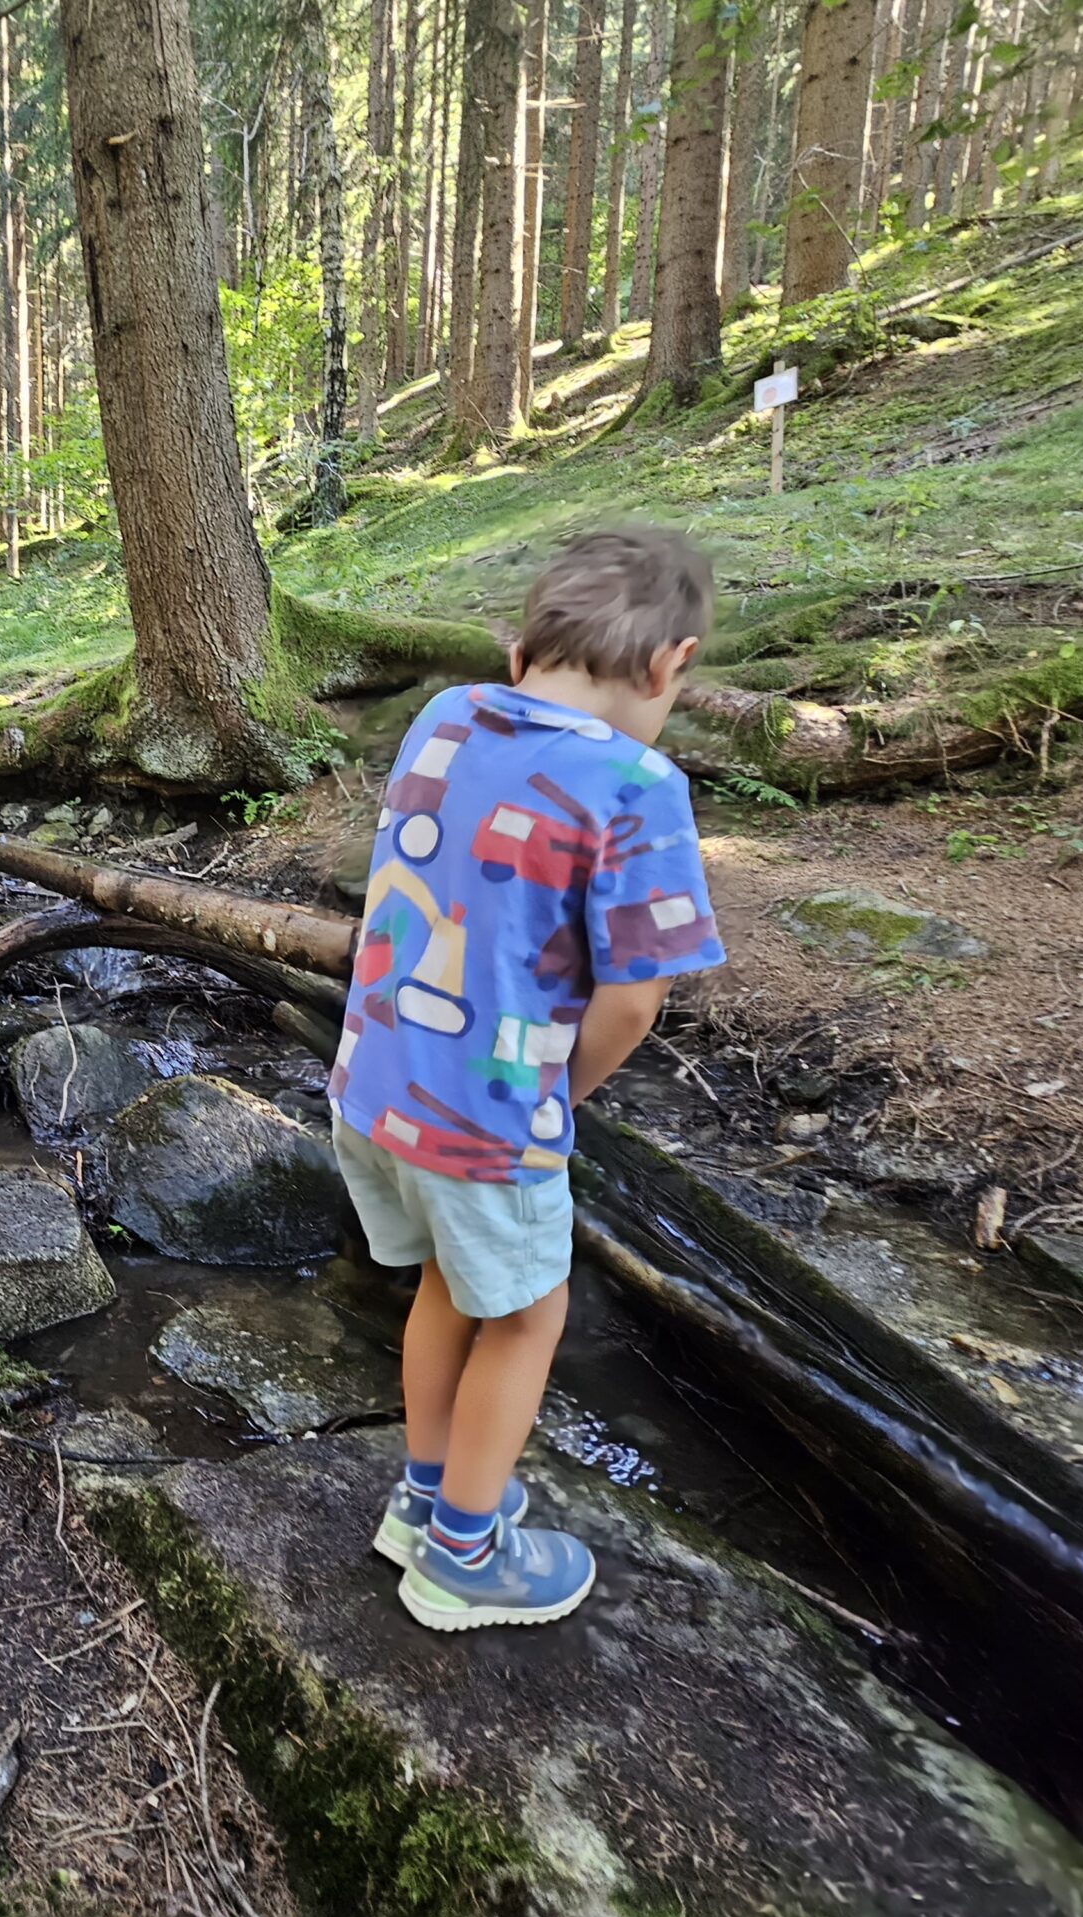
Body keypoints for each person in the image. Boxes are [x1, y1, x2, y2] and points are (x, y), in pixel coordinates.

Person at [333, 526, 727, 1632]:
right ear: (668, 667)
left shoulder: (444, 718)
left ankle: (422, 1500)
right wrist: (564, 1096)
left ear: (519, 654)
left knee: (447, 1286)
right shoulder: (638, 784)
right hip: (485, 1116)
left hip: (374, 1085)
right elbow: (634, 1000)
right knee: (527, 1312)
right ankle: (461, 1555)